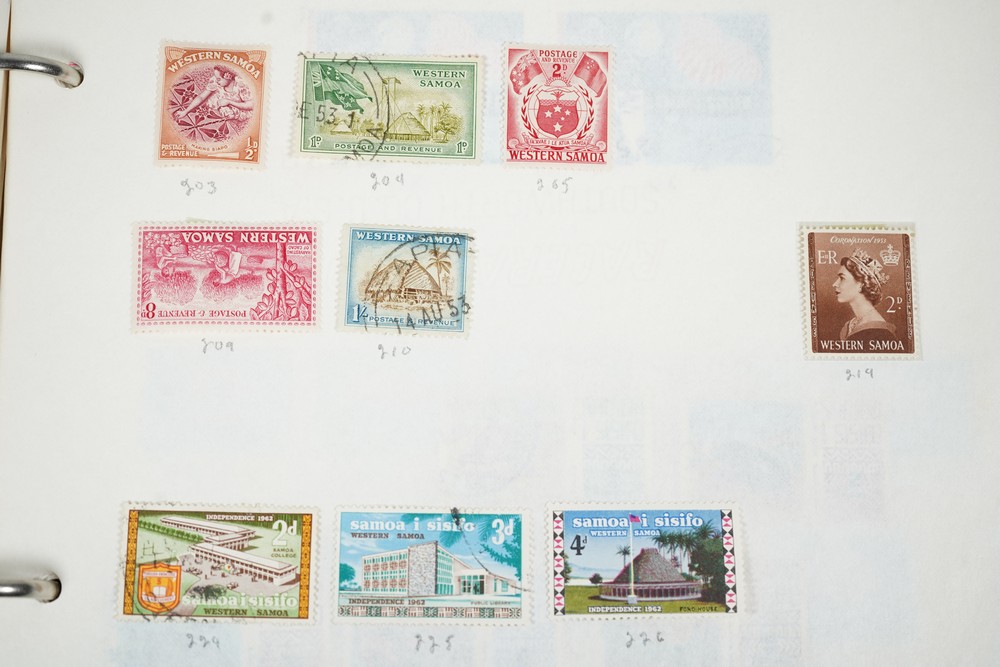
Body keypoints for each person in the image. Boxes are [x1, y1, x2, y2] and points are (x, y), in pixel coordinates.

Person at [832, 249, 897, 343]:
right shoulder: (850, 325)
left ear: (861, 284)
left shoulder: (880, 332)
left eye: (842, 278)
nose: (835, 284)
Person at [175, 65, 253, 122]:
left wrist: (229, 102)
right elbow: (201, 97)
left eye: (219, 79)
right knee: (205, 103)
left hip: (238, 106)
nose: (216, 81)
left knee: (230, 113)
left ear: (228, 76)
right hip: (221, 100)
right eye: (216, 78)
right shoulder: (216, 81)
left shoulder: (241, 84)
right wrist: (185, 111)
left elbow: (250, 105)